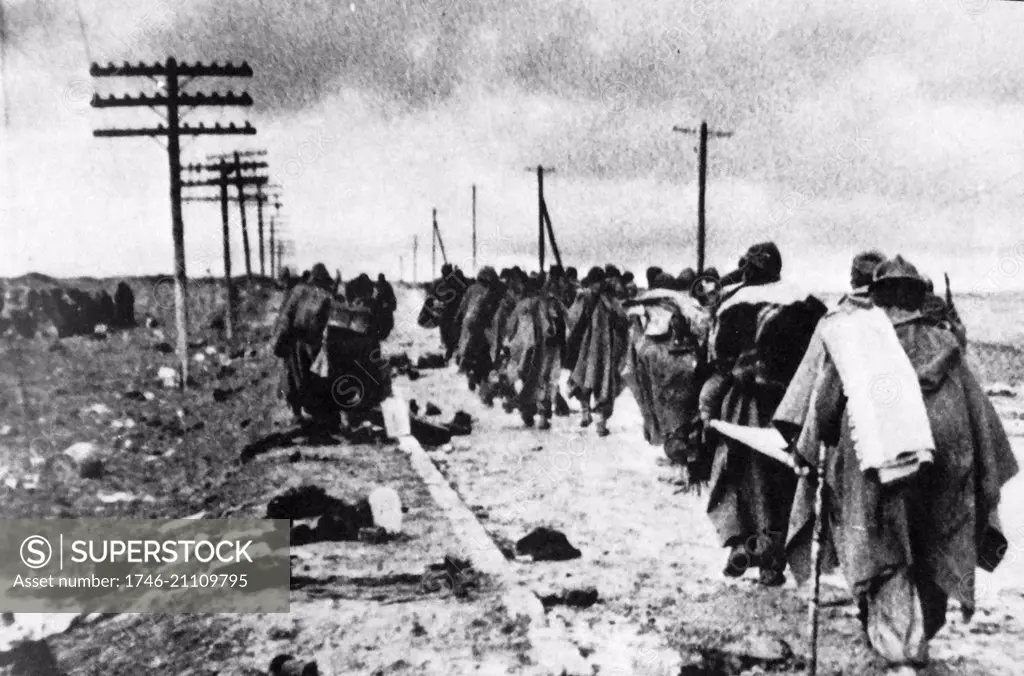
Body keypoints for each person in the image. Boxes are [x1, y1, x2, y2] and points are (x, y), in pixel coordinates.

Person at [775, 255, 1018, 668]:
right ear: (919, 296)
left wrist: (811, 448)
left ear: (876, 295)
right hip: (944, 465)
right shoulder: (946, 343)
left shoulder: (853, 336)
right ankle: (919, 632)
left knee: (879, 546)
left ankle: (898, 642)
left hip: (872, 468)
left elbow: (826, 407)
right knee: (933, 540)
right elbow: (983, 421)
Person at [692, 242, 827, 586]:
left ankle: (742, 543)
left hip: (742, 404)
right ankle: (772, 561)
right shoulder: (808, 303)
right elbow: (822, 356)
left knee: (736, 474)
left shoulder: (733, 304)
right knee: (783, 481)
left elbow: (717, 359)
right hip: (793, 405)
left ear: (748, 270)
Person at [622, 280, 710, 465]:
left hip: (666, 367)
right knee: (681, 417)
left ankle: (682, 457)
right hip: (679, 364)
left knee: (673, 417)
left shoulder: (652, 307)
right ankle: (683, 456)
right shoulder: (682, 305)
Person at [566, 266, 630, 436]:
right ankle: (595, 418)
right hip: (594, 347)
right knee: (599, 382)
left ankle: (592, 417)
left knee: (590, 380)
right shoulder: (597, 298)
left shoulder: (597, 298)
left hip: (596, 347)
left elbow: (572, 319)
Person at [497, 273, 566, 428]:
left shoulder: (522, 305)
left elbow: (510, 329)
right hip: (546, 348)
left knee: (527, 380)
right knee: (546, 381)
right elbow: (558, 326)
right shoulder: (548, 303)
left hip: (525, 351)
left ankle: (527, 411)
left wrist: (507, 348)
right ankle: (542, 416)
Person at [272, 263, 336, 426]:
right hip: (313, 343)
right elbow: (330, 322)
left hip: (295, 341)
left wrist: (280, 339)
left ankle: (297, 413)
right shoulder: (326, 295)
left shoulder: (298, 291)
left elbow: (286, 316)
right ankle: (316, 415)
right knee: (313, 377)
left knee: (292, 378)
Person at [454, 267, 506, 397]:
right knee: (483, 356)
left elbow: (462, 309)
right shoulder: (494, 292)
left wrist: (459, 319)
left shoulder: (473, 290)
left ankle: (473, 375)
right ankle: (480, 380)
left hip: (472, 327)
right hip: (482, 328)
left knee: (471, 353)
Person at [374, 273, 397, 340]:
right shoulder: (377, 285)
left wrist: (388, 304)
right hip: (380, 307)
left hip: (386, 307)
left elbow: (391, 297)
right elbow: (375, 294)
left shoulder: (387, 286)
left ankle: (382, 334)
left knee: (386, 323)